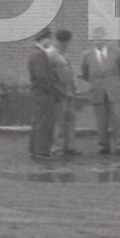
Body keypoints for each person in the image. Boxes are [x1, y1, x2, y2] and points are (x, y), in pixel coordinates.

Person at [80, 26, 120, 156]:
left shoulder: (116, 52)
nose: (98, 41)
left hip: (115, 91)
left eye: (101, 38)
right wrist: (95, 83)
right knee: (100, 120)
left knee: (117, 119)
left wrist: (116, 83)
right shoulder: (87, 55)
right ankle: (103, 145)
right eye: (95, 39)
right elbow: (85, 73)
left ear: (106, 39)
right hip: (96, 91)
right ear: (92, 41)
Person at [27, 28, 62, 159]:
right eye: (49, 39)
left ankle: (34, 149)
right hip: (44, 93)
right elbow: (43, 77)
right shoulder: (39, 54)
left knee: (38, 121)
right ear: (44, 39)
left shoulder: (33, 52)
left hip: (39, 92)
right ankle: (42, 151)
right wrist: (54, 92)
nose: (51, 42)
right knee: (45, 123)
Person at [48, 28, 81, 156]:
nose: (66, 44)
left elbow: (68, 71)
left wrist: (73, 87)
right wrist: (54, 88)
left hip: (69, 92)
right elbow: (48, 73)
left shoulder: (63, 53)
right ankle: (55, 147)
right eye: (65, 42)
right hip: (59, 93)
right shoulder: (51, 53)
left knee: (71, 119)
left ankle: (70, 146)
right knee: (58, 121)